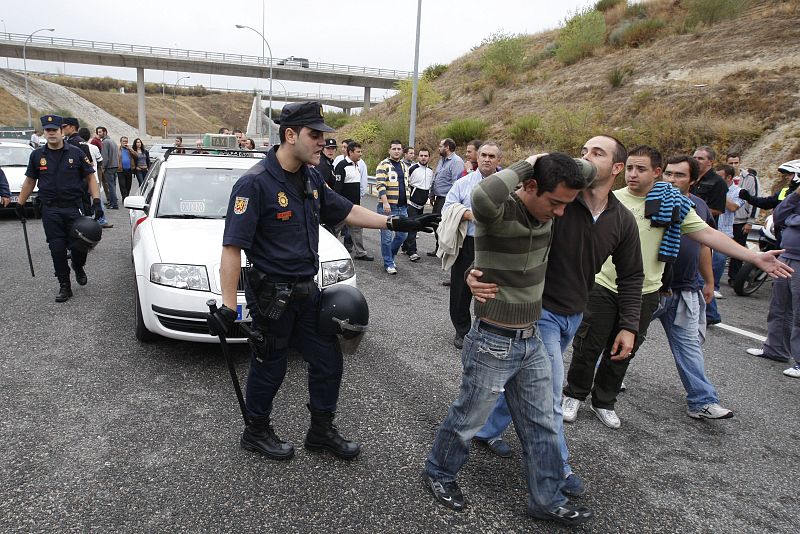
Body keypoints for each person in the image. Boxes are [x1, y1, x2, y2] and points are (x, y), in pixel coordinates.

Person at [208, 101, 438, 462]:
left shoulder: (312, 176)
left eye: (323, 136)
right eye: (314, 135)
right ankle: (255, 431)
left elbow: (345, 210)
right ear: (290, 135)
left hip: (307, 291)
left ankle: (320, 430)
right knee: (271, 365)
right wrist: (227, 304)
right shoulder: (254, 184)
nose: (322, 143)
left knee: (329, 360)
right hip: (271, 297)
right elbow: (232, 248)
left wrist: (395, 223)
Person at [562, 145, 791, 429]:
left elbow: (708, 234)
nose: (633, 174)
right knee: (587, 346)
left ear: (657, 173)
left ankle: (604, 402)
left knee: (622, 351)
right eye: (630, 168)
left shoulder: (671, 206)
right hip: (604, 286)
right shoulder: (610, 199)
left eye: (641, 169)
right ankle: (573, 395)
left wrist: (754, 256)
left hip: (646, 292)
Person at [422, 152, 594, 527]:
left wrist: (554, 163)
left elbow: (590, 168)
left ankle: (546, 499)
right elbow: (482, 195)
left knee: (543, 424)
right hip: (492, 341)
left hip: (532, 339)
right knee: (469, 417)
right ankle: (438, 471)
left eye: (566, 204)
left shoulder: (551, 206)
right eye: (555, 203)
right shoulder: (499, 212)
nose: (561, 213)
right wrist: (531, 161)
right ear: (530, 186)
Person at [468, 135, 642, 496]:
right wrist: (478, 270)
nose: (586, 158)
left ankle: (484, 431)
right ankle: (556, 470)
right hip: (538, 313)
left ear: (618, 168)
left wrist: (628, 324)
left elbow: (631, 275)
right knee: (547, 394)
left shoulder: (621, 220)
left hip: (573, 314)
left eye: (597, 153)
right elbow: (503, 229)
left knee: (522, 381)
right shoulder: (560, 201)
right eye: (583, 152)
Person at [655, 154, 734, 418]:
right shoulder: (649, 200)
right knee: (618, 341)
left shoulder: (698, 206)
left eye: (679, 175)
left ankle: (703, 401)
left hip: (684, 289)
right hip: (649, 288)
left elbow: (704, 246)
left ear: (693, 179)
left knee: (689, 347)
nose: (672, 179)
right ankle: (599, 385)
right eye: (668, 174)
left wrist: (709, 281)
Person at [15, 115, 103, 302]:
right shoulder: (37, 155)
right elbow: (30, 181)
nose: (51, 133)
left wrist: (96, 201)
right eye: (48, 130)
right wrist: (20, 203)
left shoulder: (76, 153)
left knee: (79, 246)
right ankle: (65, 285)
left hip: (73, 209)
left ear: (62, 132)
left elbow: (90, 178)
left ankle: (78, 266)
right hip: (50, 210)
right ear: (44, 133)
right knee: (57, 248)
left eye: (55, 129)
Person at [441, 142, 502, 349]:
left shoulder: (507, 186)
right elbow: (448, 207)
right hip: (468, 242)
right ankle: (462, 330)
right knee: (460, 288)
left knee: (490, 289)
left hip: (495, 245)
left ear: (498, 160)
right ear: (478, 157)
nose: (486, 159)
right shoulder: (463, 183)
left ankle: (488, 329)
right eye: (483, 155)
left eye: (491, 156)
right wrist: (471, 215)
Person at [745, 159, 800, 370]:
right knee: (779, 306)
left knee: (798, 313)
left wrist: (793, 220)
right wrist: (795, 196)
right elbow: (779, 215)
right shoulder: (792, 195)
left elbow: (789, 220)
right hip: (787, 255)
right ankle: (776, 349)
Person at [705, 164, 743, 323]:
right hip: (710, 230)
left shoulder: (737, 191)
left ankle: (713, 297)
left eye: (720, 177)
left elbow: (733, 207)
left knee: (716, 265)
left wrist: (720, 195)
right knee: (703, 273)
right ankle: (711, 312)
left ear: (728, 178)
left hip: (724, 232)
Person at [334, 141, 373, 261]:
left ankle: (360, 253)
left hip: (354, 207)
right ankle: (325, 249)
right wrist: (339, 205)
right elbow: (338, 188)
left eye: (361, 151)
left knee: (357, 229)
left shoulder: (357, 165)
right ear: (350, 152)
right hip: (344, 207)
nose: (360, 154)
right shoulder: (341, 166)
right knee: (334, 230)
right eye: (358, 152)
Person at [374, 140, 410, 274]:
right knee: (387, 237)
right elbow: (380, 185)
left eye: (399, 149)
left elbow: (407, 184)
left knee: (403, 235)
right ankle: (388, 263)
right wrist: (385, 202)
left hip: (403, 207)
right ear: (389, 150)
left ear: (402, 151)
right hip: (388, 207)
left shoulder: (404, 165)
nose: (396, 151)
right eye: (394, 148)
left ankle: (391, 256)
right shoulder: (383, 165)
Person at [428, 138, 465, 257]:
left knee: (445, 225)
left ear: (447, 147)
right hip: (438, 197)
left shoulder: (456, 161)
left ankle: (445, 250)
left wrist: (452, 201)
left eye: (441, 146)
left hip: (447, 199)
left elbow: (457, 182)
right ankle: (439, 247)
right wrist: (432, 193)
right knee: (435, 223)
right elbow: (436, 177)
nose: (439, 148)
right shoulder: (442, 160)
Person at [726, 151, 759, 283]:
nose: (734, 165)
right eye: (730, 163)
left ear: (740, 162)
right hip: (724, 219)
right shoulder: (722, 177)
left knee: (738, 251)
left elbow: (755, 200)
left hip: (741, 220)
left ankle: (734, 278)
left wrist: (750, 221)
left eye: (736, 162)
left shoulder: (750, 178)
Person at [401, 147, 434, 261]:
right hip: (411, 204)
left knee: (415, 226)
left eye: (426, 156)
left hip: (422, 205)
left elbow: (429, 187)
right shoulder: (412, 168)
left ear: (429, 157)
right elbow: (405, 183)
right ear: (418, 156)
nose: (423, 158)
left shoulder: (430, 171)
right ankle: (412, 252)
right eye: (421, 155)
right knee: (413, 227)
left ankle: (405, 247)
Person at [78, 127, 113, 229]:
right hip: (93, 178)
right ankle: (101, 220)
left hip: (80, 179)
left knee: (82, 200)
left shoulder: (75, 147)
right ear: (89, 136)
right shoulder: (94, 147)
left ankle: (83, 219)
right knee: (97, 199)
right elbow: (100, 161)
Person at [690, 146, 728, 220]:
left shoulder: (718, 182)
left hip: (704, 226)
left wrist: (689, 212)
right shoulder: (690, 178)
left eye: (700, 158)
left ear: (710, 162)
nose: (695, 161)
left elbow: (718, 210)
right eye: (694, 158)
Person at [97, 126, 119, 210]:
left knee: (111, 186)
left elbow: (105, 156)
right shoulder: (112, 141)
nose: (98, 134)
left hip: (109, 167)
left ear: (105, 132)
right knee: (113, 185)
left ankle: (114, 204)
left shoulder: (105, 142)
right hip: (114, 166)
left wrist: (103, 167)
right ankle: (113, 202)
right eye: (98, 132)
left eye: (100, 132)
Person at [117, 137, 137, 203]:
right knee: (122, 185)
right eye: (123, 141)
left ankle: (127, 196)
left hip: (129, 169)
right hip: (121, 170)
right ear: (121, 142)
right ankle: (124, 198)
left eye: (126, 141)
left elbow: (136, 156)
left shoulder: (129, 149)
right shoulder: (118, 149)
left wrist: (130, 149)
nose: (125, 143)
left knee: (128, 185)